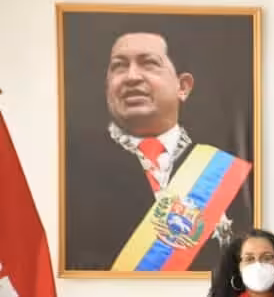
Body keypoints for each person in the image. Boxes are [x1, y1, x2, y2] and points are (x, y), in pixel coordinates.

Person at [64, 26, 255, 272]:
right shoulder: (74, 164)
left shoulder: (222, 170)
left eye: (149, 64)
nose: (131, 76)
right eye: (119, 66)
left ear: (183, 86)